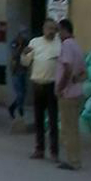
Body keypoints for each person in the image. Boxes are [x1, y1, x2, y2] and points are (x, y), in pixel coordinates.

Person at [22, 19, 62, 161]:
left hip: (52, 85)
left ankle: (54, 152)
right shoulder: (35, 42)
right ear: (44, 29)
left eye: (54, 29)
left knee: (52, 120)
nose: (51, 31)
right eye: (49, 28)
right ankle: (39, 149)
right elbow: (26, 62)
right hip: (38, 84)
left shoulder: (59, 44)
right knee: (38, 119)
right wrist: (24, 54)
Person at [55, 19, 86, 170]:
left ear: (64, 30)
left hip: (67, 94)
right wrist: (75, 79)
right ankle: (76, 158)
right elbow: (84, 73)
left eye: (59, 31)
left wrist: (60, 87)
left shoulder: (66, 45)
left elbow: (67, 68)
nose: (58, 34)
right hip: (77, 93)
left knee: (68, 129)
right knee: (74, 128)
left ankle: (72, 161)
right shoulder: (77, 46)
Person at [8, 29, 29, 119]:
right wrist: (20, 46)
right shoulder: (14, 43)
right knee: (20, 93)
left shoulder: (26, 43)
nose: (24, 37)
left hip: (24, 70)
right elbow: (14, 54)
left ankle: (13, 107)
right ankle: (19, 109)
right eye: (23, 34)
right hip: (16, 71)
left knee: (23, 92)